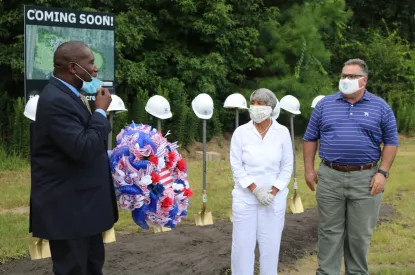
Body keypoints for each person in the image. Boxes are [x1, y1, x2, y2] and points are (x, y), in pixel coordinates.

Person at [303, 59, 399, 275]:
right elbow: (310, 138)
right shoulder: (325, 105)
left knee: (359, 235)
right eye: (343, 75)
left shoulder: (381, 107)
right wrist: (309, 169)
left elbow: (392, 142)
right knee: (329, 232)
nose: (345, 80)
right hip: (329, 177)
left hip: (366, 179)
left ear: (364, 80)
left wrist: (382, 173)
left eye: (351, 76)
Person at [31, 41, 119, 275]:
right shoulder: (55, 100)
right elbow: (83, 148)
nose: (95, 69)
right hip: (68, 211)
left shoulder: (70, 95)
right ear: (72, 67)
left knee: (91, 267)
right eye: (90, 63)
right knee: (74, 269)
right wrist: (100, 111)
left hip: (83, 209)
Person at [230, 88, 293, 275]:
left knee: (270, 248)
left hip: (273, 200)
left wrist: (273, 191)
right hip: (245, 198)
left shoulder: (282, 132)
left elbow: (287, 166)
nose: (256, 107)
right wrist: (255, 190)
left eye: (261, 104)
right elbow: (236, 165)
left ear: (271, 107)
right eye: (254, 103)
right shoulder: (241, 133)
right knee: (242, 248)